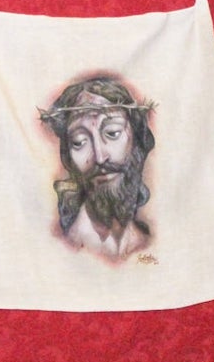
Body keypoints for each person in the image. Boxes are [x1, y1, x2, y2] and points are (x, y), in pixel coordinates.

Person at [39, 74, 155, 260]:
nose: (100, 157)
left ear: (137, 141)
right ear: (68, 158)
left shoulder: (148, 243)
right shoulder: (66, 248)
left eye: (112, 133)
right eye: (79, 142)